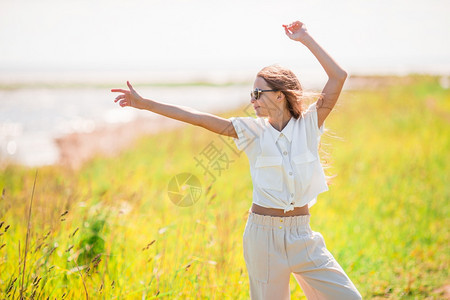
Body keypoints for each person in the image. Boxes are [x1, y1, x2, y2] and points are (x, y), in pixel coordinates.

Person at [112, 20, 362, 300]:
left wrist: (305, 38)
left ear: (280, 96)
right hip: (263, 239)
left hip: (302, 236)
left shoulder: (310, 123)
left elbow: (338, 76)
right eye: (251, 94)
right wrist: (145, 104)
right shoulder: (251, 130)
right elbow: (198, 118)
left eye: (258, 93)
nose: (252, 100)